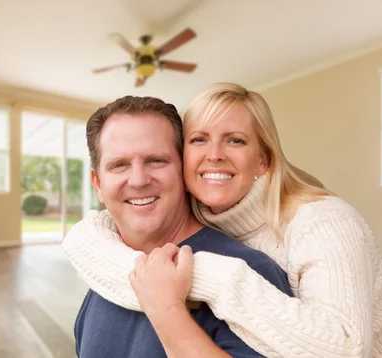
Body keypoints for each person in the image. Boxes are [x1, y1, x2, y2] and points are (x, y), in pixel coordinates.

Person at [63, 82, 382, 357]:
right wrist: (80, 240)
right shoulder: (111, 262)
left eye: (156, 160)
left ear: (263, 160)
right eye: (199, 140)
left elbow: (348, 348)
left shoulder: (319, 225)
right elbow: (90, 237)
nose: (215, 155)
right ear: (97, 184)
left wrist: (196, 284)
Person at [72, 95, 293, 358]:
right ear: (98, 184)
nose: (139, 180)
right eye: (119, 165)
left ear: (183, 170)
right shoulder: (106, 269)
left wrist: (169, 311)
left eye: (156, 160)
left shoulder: (250, 270)